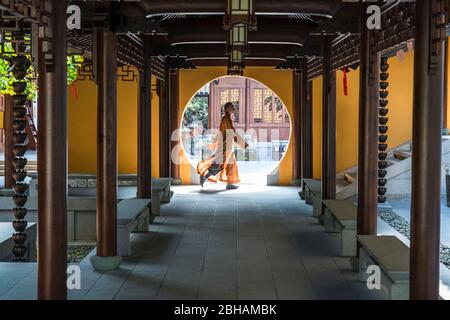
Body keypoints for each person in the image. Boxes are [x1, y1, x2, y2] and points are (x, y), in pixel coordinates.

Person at [197, 102, 248, 190]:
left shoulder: (228, 118)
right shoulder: (225, 119)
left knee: (231, 164)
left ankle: (229, 183)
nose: (233, 108)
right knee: (219, 164)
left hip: (229, 145)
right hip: (225, 146)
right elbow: (231, 132)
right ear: (227, 109)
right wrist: (243, 144)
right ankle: (205, 176)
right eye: (231, 107)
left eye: (233, 106)